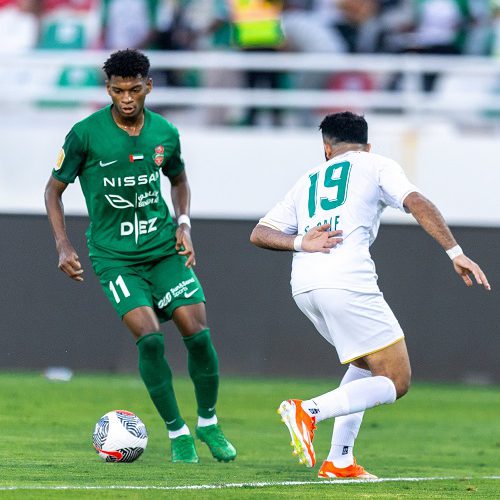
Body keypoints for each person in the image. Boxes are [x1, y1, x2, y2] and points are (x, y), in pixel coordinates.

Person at [250, 111, 490, 479]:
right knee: (397, 380)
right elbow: (417, 202)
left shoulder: (308, 179)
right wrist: (456, 253)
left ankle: (340, 461)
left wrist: (299, 241)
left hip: (305, 285)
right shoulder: (376, 164)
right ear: (367, 145)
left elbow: (260, 232)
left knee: (363, 365)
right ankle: (308, 410)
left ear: (326, 149)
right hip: (346, 280)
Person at [44, 48, 236, 465]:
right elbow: (53, 190)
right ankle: (178, 432)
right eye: (117, 90)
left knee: (198, 334)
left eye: (134, 89)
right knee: (149, 339)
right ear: (108, 89)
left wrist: (184, 223)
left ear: (148, 86)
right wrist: (63, 243)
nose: (126, 98)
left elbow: (179, 180)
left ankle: (208, 422)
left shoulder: (165, 133)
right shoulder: (86, 134)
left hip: (163, 248)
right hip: (115, 257)